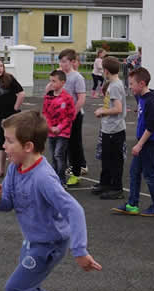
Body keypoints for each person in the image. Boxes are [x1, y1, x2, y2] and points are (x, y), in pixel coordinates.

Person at [0, 110, 102, 291]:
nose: (4, 146)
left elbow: (74, 210)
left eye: (9, 141)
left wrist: (79, 250)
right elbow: (8, 203)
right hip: (32, 241)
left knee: (17, 290)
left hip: (50, 244)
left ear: (28, 146)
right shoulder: (14, 168)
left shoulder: (43, 178)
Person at [112, 67, 154, 216]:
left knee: (149, 174)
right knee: (134, 171)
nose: (129, 87)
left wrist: (139, 144)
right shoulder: (141, 97)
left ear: (142, 84)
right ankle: (132, 204)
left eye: (132, 84)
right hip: (147, 141)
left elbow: (152, 126)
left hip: (150, 142)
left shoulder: (151, 101)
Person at [92, 57, 127, 200]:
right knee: (106, 159)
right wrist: (104, 111)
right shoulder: (112, 84)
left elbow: (118, 109)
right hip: (108, 128)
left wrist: (102, 112)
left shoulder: (115, 86)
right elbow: (111, 107)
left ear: (106, 71)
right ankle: (105, 183)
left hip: (115, 130)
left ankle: (117, 188)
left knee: (115, 160)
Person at [58, 49, 87, 187]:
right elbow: (50, 90)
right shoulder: (59, 76)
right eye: (60, 61)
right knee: (60, 146)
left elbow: (81, 99)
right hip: (60, 116)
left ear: (71, 62)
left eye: (64, 61)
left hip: (74, 116)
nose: (62, 64)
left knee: (74, 145)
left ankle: (76, 174)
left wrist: (72, 115)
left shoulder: (77, 77)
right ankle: (60, 173)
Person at [42, 70, 76, 187]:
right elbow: (45, 113)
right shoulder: (48, 97)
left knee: (58, 154)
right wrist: (50, 127)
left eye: (54, 81)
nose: (51, 83)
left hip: (63, 132)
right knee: (53, 156)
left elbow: (70, 115)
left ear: (62, 82)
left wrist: (59, 127)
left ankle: (62, 180)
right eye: (50, 81)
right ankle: (55, 179)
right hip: (51, 132)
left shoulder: (67, 98)